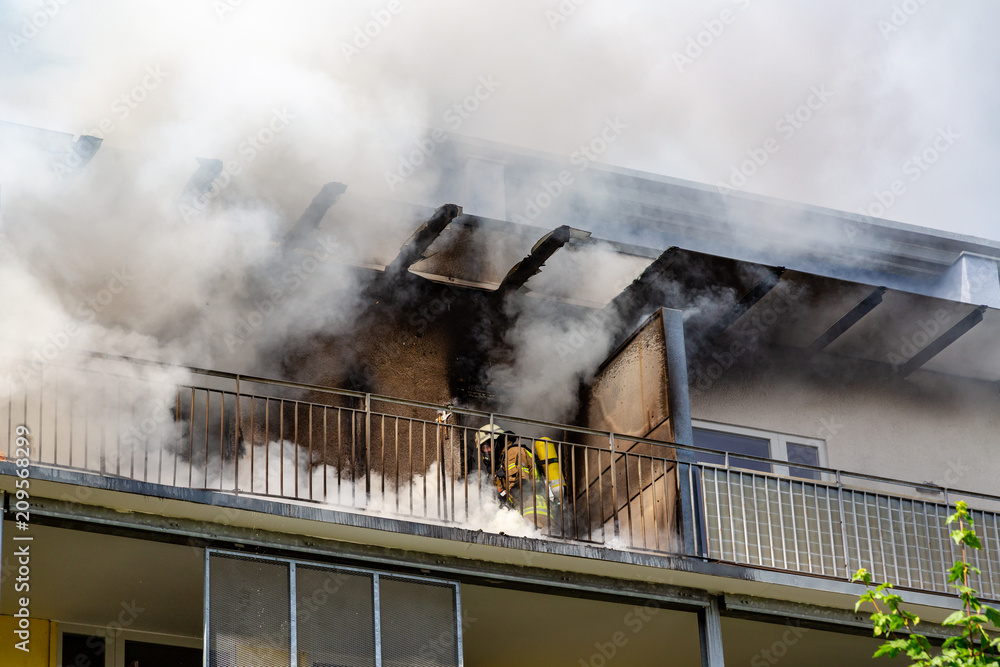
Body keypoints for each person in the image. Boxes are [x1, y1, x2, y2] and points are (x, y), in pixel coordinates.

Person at [474, 425, 563, 529]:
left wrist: (502, 496)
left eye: (487, 446)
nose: (486, 451)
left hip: (534, 510)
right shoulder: (501, 464)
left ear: (496, 441)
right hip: (522, 512)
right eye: (483, 449)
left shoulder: (513, 453)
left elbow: (519, 486)